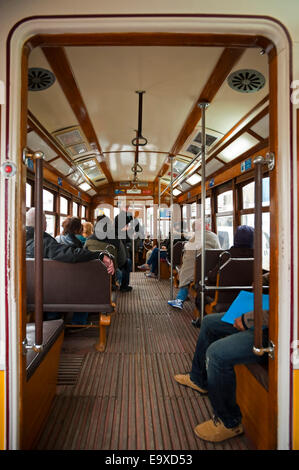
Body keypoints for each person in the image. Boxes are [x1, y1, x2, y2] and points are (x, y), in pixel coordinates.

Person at [174, 272, 269, 443]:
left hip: (272, 329)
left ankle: (229, 421)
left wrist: (248, 320)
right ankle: (198, 379)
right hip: (262, 315)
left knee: (216, 353)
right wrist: (265, 279)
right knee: (210, 322)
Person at [168, 219, 221, 309]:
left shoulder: (194, 238)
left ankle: (180, 299)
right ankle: (180, 298)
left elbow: (188, 256)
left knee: (186, 271)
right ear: (206, 226)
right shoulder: (214, 237)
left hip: (196, 272)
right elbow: (219, 251)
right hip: (211, 272)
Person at [85, 215, 133, 292]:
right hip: (111, 272)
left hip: (91, 270)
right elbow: (122, 260)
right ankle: (124, 287)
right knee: (127, 262)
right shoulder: (116, 240)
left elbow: (85, 254)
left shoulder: (89, 240)